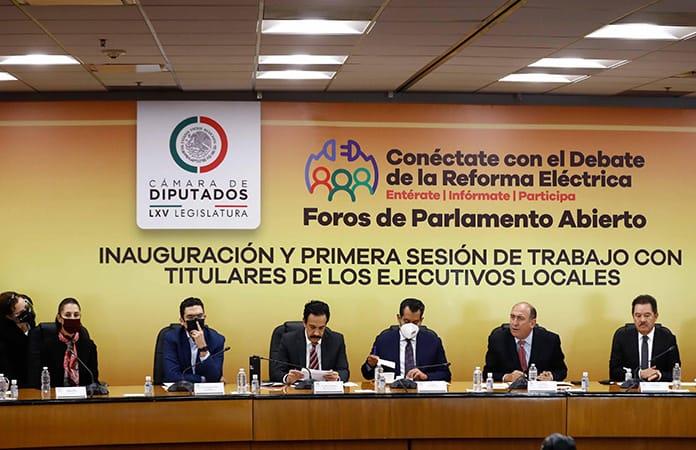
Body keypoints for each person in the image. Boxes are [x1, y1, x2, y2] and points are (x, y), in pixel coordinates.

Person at [361, 298, 451, 382]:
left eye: (415, 322)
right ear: (399, 318)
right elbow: (367, 375)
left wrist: (425, 376)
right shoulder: (383, 340)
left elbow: (446, 375)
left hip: (421, 391)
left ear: (421, 320)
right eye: (406, 321)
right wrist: (370, 365)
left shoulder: (432, 341)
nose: (410, 326)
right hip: (393, 391)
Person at [484, 302, 567, 382]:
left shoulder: (550, 340)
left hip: (539, 391)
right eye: (512, 317)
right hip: (509, 391)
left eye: (520, 318)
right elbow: (487, 373)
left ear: (532, 323)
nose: (514, 323)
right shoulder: (498, 339)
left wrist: (551, 376)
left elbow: (561, 371)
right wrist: (507, 377)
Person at [270, 300, 349, 384]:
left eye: (321, 328)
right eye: (312, 327)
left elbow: (344, 371)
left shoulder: (336, 340)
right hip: (297, 390)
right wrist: (287, 378)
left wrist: (337, 378)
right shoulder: (288, 340)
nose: (316, 333)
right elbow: (276, 372)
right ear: (304, 322)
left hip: (325, 389)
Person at [27, 297, 100, 388]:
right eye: (68, 315)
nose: (72, 318)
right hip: (53, 394)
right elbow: (35, 378)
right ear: (59, 318)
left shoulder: (87, 344)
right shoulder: (46, 343)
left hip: (80, 394)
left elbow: (93, 379)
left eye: (76, 315)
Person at [609, 294, 680, 381]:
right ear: (633, 317)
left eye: (647, 315)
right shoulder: (622, 337)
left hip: (657, 388)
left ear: (655, 316)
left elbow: (675, 372)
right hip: (630, 388)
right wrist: (639, 374)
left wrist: (659, 375)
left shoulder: (667, 338)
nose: (642, 320)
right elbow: (614, 372)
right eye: (638, 315)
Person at [163, 297, 225, 383]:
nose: (196, 321)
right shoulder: (171, 338)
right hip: (180, 390)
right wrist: (202, 379)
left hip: (206, 391)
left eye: (199, 316)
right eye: (190, 317)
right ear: (182, 321)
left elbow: (214, 378)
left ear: (204, 317)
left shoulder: (217, 340)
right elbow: (171, 375)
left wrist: (203, 349)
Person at [0, 291, 36, 387]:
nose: (26, 312)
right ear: (9, 316)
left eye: (26, 307)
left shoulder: (29, 319)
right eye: (20, 313)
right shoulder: (4, 332)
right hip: (16, 378)